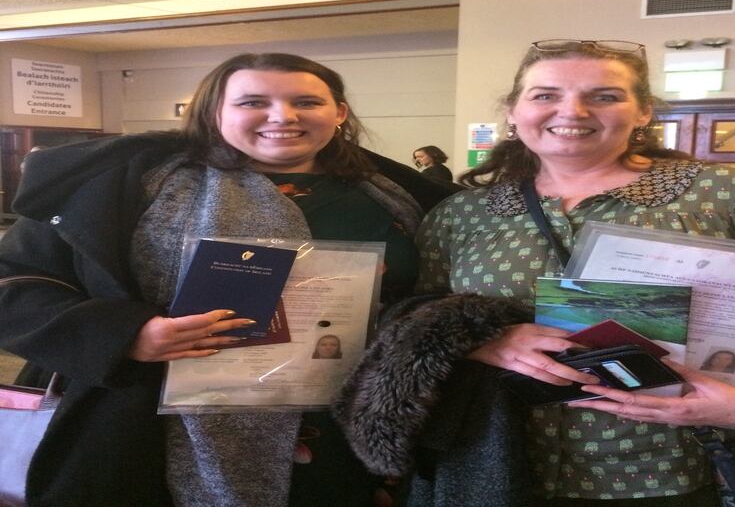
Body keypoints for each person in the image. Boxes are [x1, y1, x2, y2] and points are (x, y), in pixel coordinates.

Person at [336, 39, 735, 507]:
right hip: (494, 465)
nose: (572, 111)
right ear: (513, 113)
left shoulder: (727, 197)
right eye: (545, 95)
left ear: (643, 113)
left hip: (670, 464)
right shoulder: (464, 214)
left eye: (604, 96)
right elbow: (412, 320)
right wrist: (476, 336)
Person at [0, 52, 456, 507]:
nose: (283, 116)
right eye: (252, 101)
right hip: (154, 429)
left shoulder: (397, 197)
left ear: (338, 113)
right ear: (213, 111)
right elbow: (13, 282)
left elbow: (432, 295)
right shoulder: (124, 188)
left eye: (307, 102)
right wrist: (124, 334)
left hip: (352, 422)